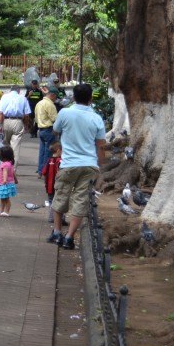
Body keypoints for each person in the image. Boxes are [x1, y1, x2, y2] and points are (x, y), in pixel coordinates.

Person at [48, 83, 106, 250]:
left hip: (69, 164)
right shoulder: (96, 118)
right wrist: (99, 166)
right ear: (90, 98)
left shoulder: (65, 113)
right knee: (80, 201)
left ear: (73, 97)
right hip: (89, 165)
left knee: (61, 196)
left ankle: (57, 233)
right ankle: (69, 237)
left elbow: (55, 131)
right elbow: (101, 145)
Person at [0, 85, 32, 152]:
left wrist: (0, 125)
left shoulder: (4, 97)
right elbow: (27, 115)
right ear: (19, 91)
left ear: (10, 90)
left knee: (5, 144)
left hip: (6, 121)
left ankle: (5, 160)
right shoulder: (23, 98)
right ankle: (14, 162)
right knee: (15, 145)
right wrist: (26, 126)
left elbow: (0, 113)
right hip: (18, 121)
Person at [35, 87, 59, 177]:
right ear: (52, 95)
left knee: (42, 152)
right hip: (49, 129)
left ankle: (40, 170)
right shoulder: (50, 104)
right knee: (49, 152)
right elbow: (55, 119)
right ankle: (46, 171)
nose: (56, 99)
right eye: (56, 97)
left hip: (41, 129)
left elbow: (36, 118)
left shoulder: (39, 103)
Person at [41, 141, 63, 224]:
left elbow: (44, 173)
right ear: (58, 151)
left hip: (49, 186)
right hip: (58, 186)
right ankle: (58, 219)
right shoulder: (60, 161)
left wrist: (45, 183)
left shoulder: (49, 161)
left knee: (51, 201)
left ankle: (51, 217)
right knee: (59, 202)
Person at [0, 146, 18, 216]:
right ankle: (1, 210)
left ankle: (6, 211)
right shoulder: (10, 163)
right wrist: (16, 180)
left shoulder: (5, 164)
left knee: (6, 199)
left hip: (5, 184)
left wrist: (5, 180)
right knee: (3, 198)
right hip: (5, 183)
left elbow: (5, 172)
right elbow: (13, 173)